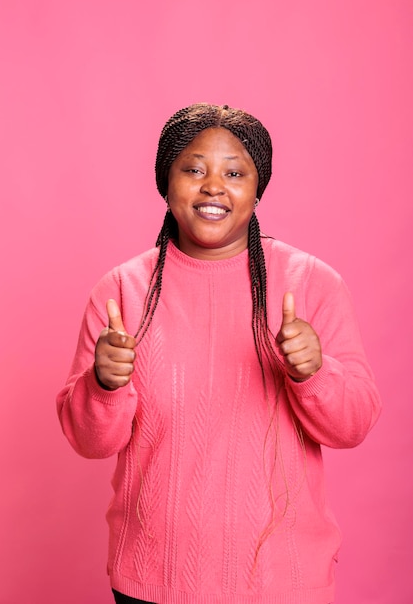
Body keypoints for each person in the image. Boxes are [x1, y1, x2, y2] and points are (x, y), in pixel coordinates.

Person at [57, 103, 381, 604]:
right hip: (152, 580)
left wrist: (315, 373)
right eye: (193, 169)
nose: (213, 186)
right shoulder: (120, 290)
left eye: (234, 172)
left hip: (283, 582)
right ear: (166, 184)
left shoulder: (312, 283)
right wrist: (103, 386)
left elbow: (354, 425)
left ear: (258, 189)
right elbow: (89, 442)